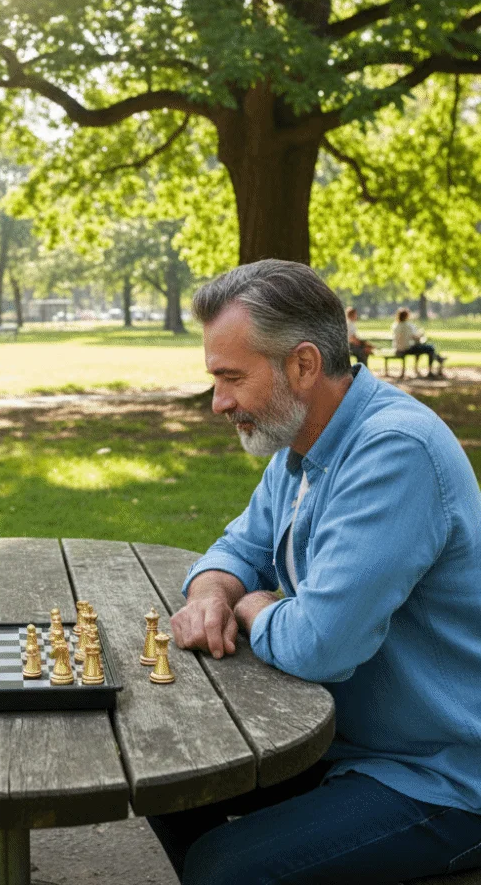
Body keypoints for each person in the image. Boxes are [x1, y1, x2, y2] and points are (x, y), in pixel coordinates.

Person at [151, 260, 481, 885]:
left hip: (443, 773)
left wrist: (252, 607)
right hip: (346, 741)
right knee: (168, 769)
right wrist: (213, 592)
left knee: (224, 870)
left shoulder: (394, 451)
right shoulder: (304, 445)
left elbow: (321, 644)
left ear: (303, 365)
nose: (219, 402)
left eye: (232, 378)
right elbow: (235, 549)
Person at [392, 306, 446, 377]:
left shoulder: (396, 325)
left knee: (420, 348)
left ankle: (435, 361)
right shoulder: (408, 326)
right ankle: (431, 370)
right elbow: (416, 338)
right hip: (407, 349)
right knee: (430, 348)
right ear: (407, 316)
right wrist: (421, 334)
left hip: (398, 349)